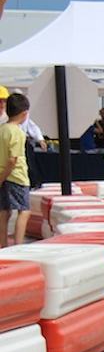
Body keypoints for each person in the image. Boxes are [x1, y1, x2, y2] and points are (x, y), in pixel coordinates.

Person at [0, 93, 30, 247]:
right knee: (24, 210)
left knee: (4, 212)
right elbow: (13, 159)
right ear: (24, 113)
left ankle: (3, 246)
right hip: (16, 176)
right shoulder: (17, 132)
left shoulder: (2, 129)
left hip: (2, 175)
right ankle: (18, 245)